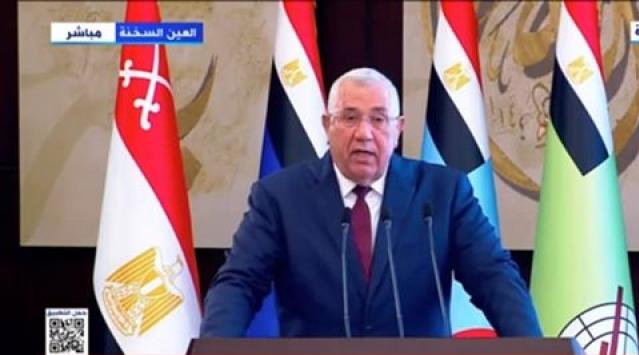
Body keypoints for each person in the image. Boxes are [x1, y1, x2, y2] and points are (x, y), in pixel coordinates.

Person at [200, 67, 542, 338]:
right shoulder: (280, 197)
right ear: (327, 125)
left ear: (398, 129)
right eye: (349, 117)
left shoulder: (443, 193)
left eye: (378, 119)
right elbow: (239, 283)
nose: (364, 133)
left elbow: (493, 277)